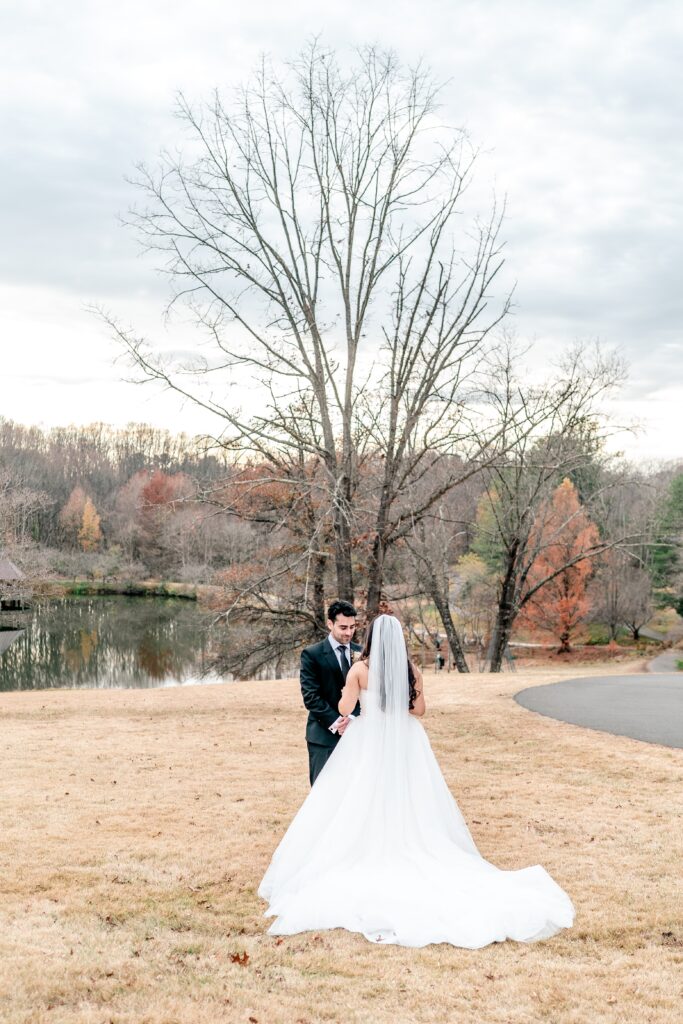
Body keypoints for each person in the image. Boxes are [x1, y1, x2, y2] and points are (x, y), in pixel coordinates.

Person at [259, 613, 575, 949]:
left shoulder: (360, 670)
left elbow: (345, 706)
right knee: (408, 795)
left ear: (371, 640)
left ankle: (370, 845)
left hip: (368, 739)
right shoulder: (412, 670)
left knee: (361, 795)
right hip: (405, 740)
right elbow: (419, 710)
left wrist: (351, 697)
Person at [299, 599, 362, 786]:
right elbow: (311, 697)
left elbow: (366, 693)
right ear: (330, 624)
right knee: (322, 791)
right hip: (323, 736)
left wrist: (352, 718)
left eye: (352, 627)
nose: (349, 632)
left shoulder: (362, 653)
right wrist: (337, 723)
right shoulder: (312, 654)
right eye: (343, 627)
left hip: (357, 732)